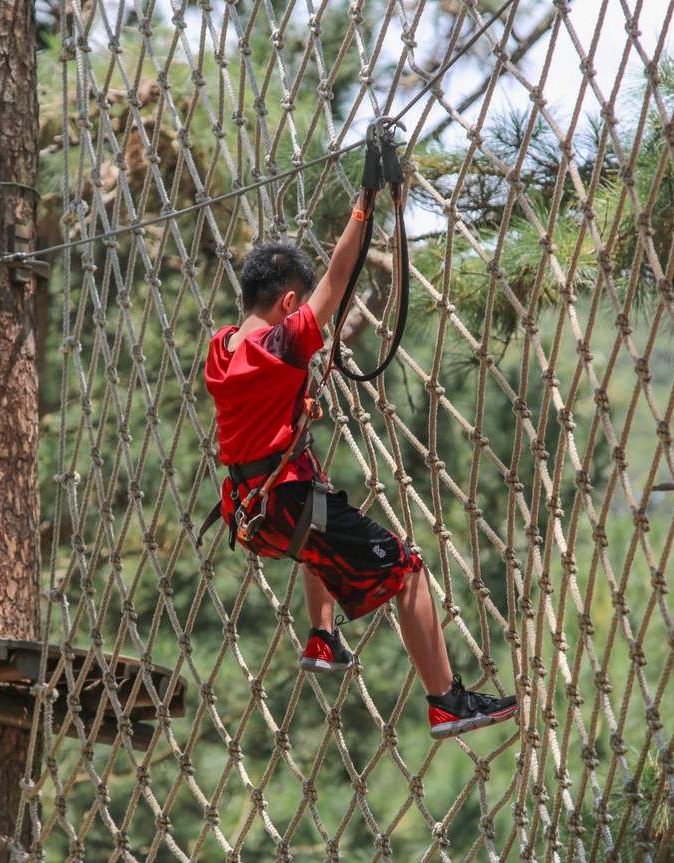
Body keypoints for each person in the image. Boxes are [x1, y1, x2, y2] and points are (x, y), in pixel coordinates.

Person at [202, 192, 518, 740]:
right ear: (288, 302)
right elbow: (342, 274)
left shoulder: (222, 346)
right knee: (407, 570)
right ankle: (447, 700)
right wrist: (363, 206)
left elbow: (252, 413)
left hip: (249, 514)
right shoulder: (283, 341)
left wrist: (294, 405)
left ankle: (322, 635)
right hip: (285, 503)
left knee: (318, 519)